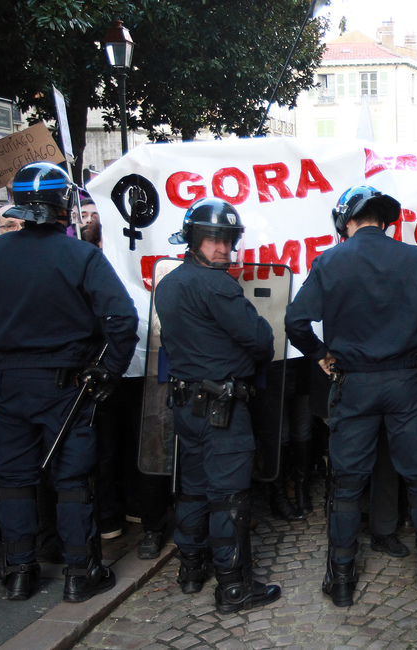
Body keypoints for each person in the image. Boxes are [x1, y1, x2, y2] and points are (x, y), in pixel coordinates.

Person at [285, 185, 417, 607]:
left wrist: (320, 355)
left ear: (347, 220)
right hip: (405, 382)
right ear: (384, 220)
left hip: (355, 385)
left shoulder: (329, 261)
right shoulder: (415, 257)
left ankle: (343, 580)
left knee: (347, 484)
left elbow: (296, 321)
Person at [0, 161, 139, 602]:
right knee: (71, 480)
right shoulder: (81, 256)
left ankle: (19, 571)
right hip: (65, 385)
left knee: (13, 480)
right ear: (62, 204)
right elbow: (122, 320)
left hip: (6, 384)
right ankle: (80, 572)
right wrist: (110, 370)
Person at [154, 197, 280, 614]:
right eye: (212, 239)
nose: (222, 248)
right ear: (193, 240)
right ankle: (232, 588)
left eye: (226, 240)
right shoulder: (218, 285)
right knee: (227, 496)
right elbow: (262, 341)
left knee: (191, 490)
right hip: (222, 410)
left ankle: (191, 568)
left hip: (187, 405)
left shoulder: (169, 283)